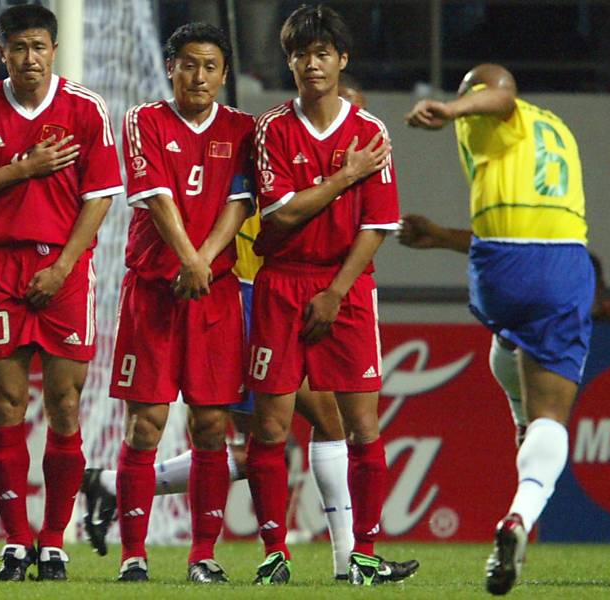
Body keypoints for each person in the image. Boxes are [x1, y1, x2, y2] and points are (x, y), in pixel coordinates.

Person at [82, 76, 382, 582]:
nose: (345, 134)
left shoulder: (257, 135)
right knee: (285, 429)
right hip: (247, 296)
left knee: (250, 435)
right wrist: (341, 179)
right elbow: (278, 220)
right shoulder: (275, 138)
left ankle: (120, 490)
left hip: (241, 294)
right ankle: (338, 558)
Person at [0, 4, 122, 582]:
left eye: (38, 46)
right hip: (1, 270)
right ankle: (16, 542)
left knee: (64, 407)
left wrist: (65, 266)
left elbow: (101, 196)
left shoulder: (86, 108)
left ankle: (53, 540)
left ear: (54, 49)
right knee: (8, 407)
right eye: (18, 47)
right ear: (2, 52)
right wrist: (25, 168)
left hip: (63, 270)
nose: (29, 57)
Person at [404, 63, 595, 595]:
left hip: (501, 268)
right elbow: (535, 228)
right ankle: (518, 517)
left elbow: (500, 96)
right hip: (559, 264)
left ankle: (519, 417)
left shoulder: (495, 108)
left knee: (511, 335)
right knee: (552, 417)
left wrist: (454, 106)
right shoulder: (555, 127)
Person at [246, 5, 417, 586]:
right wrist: (344, 177)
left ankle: (364, 555)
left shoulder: (371, 131)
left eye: (322, 53)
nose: (311, 63)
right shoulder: (273, 127)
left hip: (345, 286)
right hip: (281, 281)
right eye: (300, 54)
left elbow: (379, 225)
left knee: (363, 426)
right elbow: (283, 212)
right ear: (289, 61)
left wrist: (337, 292)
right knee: (270, 427)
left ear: (342, 60)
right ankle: (275, 553)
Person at [106, 22, 253, 584]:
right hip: (154, 293)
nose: (198, 76)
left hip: (211, 293)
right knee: (145, 424)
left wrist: (202, 259)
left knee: (212, 425)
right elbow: (156, 196)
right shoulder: (144, 120)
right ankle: (133, 555)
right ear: (171, 67)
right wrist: (189, 258)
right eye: (188, 64)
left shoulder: (243, 128)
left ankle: (202, 555)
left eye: (210, 66)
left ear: (222, 74)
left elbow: (240, 202)